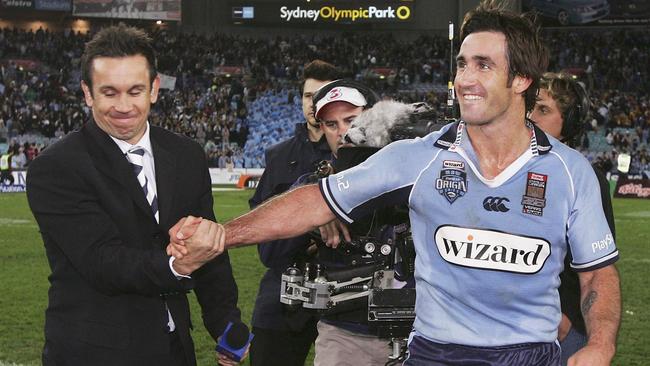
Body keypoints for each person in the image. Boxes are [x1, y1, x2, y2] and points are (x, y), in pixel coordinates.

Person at [171, 2, 621, 365]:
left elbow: (597, 272)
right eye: (462, 64)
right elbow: (314, 202)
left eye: (483, 65)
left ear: (521, 78)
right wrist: (224, 235)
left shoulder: (569, 171)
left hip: (529, 355)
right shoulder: (419, 157)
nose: (464, 78)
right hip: (433, 352)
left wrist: (600, 344)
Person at [26, 24, 243, 366]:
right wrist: (177, 264)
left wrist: (226, 324)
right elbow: (101, 261)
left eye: (135, 90)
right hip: (93, 353)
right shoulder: (55, 168)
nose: (123, 106)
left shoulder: (186, 155)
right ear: (87, 93)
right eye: (109, 92)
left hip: (175, 349)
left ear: (154, 89)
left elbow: (210, 247)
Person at [247, 60, 339, 366]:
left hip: (343, 296)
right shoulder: (278, 157)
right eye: (307, 96)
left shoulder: (357, 158)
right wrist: (310, 227)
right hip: (283, 293)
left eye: (323, 96)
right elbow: (266, 248)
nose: (314, 104)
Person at [530, 71, 616, 366]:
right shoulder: (505, 169)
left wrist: (562, 317)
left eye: (543, 109)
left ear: (570, 123)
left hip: (561, 331)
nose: (530, 115)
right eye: (529, 106)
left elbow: (596, 269)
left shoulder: (584, 177)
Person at [309, 79, 394, 366]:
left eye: (351, 120)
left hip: (413, 331)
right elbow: (272, 252)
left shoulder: (409, 169)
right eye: (331, 125)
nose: (343, 131)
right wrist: (317, 208)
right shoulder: (313, 185)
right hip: (343, 335)